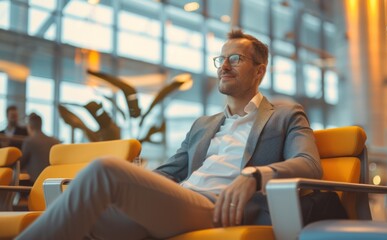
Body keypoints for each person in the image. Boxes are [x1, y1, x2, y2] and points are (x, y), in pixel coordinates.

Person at [17, 29, 322, 240]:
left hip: (219, 207)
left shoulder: (284, 116)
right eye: (221, 59)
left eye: (236, 59)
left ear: (259, 70)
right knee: (77, 214)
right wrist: (139, 182)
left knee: (104, 169)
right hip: (180, 203)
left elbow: (309, 164)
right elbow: (168, 173)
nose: (224, 66)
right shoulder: (203, 124)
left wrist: (255, 175)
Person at [21, 113, 61, 184]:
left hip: (34, 182)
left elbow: (21, 162)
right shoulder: (54, 141)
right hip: (51, 181)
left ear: (29, 126)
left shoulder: (29, 141)